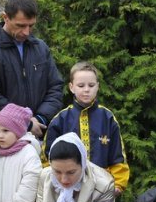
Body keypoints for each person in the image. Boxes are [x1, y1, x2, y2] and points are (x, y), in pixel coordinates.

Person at [0, 0, 63, 141]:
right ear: (5, 17)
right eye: (20, 26)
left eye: (31, 25)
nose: (26, 32)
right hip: (4, 138)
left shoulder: (41, 48)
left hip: (39, 133)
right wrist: (25, 122)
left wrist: (40, 118)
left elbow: (55, 87)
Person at [45, 61, 129, 194]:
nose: (86, 90)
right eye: (81, 85)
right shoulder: (60, 120)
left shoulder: (107, 118)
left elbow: (117, 155)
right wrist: (56, 183)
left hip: (100, 188)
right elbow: (47, 157)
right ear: (71, 87)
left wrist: (118, 184)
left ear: (98, 86)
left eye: (91, 85)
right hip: (67, 188)